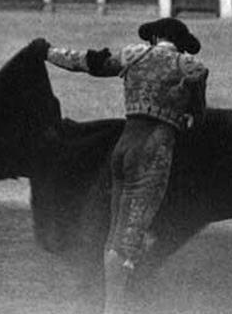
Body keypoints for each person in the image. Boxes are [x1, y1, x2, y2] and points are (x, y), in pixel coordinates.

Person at [39, 18, 209, 313]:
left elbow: (86, 62)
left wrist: (47, 51)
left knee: (116, 231)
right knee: (129, 236)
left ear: (155, 37)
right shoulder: (190, 67)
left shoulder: (134, 55)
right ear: (180, 43)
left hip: (123, 147)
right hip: (152, 153)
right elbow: (198, 118)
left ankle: (110, 304)